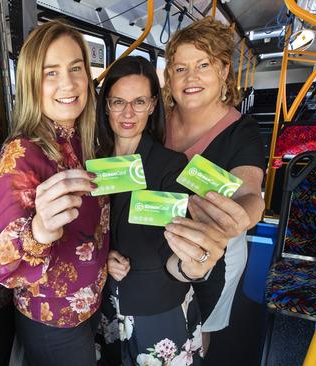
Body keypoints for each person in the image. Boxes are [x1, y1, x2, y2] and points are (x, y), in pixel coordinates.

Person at [95, 56, 229, 365]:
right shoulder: (93, 162)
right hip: (104, 306)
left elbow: (170, 246)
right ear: (106, 106)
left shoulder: (170, 165)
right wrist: (103, 256)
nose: (128, 113)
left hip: (157, 308)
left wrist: (193, 264)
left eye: (139, 101)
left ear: (154, 105)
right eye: (118, 102)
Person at [0, 20, 108, 365]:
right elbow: (5, 266)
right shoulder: (22, 153)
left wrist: (107, 253)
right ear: (32, 83)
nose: (69, 83)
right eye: (51, 73)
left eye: (76, 68)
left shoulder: (87, 141)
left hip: (92, 302)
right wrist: (39, 230)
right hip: (53, 318)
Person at [162, 17, 266, 352]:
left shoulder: (241, 131)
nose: (190, 78)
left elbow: (250, 193)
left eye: (203, 65)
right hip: (155, 245)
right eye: (180, 68)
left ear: (223, 71)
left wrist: (239, 218)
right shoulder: (154, 119)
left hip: (213, 252)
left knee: (198, 325)